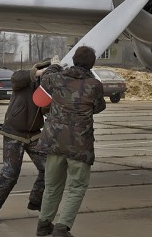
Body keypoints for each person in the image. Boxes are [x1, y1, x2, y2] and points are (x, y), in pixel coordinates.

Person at [36, 46, 106, 237]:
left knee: (52, 185)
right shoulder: (94, 85)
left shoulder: (57, 79)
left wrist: (56, 66)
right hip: (79, 144)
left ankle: (44, 223)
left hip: (54, 141)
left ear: (74, 60)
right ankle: (62, 227)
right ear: (92, 63)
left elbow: (44, 77)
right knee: (77, 186)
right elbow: (99, 107)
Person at [0, 60, 51, 227]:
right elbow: (15, 78)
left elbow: (46, 110)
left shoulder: (47, 87)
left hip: (33, 135)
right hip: (13, 133)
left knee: (49, 169)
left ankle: (36, 201)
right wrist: (37, 73)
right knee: (10, 173)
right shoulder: (24, 79)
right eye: (45, 72)